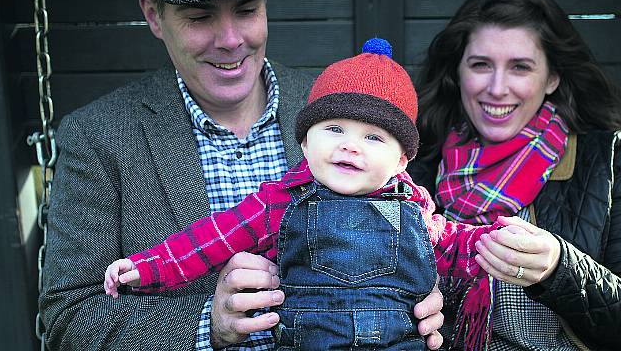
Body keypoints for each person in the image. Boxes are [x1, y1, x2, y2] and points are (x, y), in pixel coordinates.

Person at [38, 0, 444, 350]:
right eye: (200, 17)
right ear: (154, 15)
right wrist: (207, 325)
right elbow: (67, 320)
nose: (230, 39)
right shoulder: (98, 136)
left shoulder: (339, 111)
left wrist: (425, 293)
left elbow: (415, 224)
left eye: (247, 10)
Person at [103, 38, 505, 350]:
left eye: (372, 137)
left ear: (402, 161)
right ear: (305, 144)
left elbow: (458, 248)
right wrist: (146, 268)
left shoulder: (415, 212)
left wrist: (502, 242)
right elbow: (208, 241)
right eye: (334, 130)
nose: (350, 146)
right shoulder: (280, 202)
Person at [408, 0, 621, 350]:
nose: (497, 88)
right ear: (457, 72)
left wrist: (559, 268)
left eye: (520, 67)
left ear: (552, 77)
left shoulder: (614, 159)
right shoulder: (416, 163)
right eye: (481, 64)